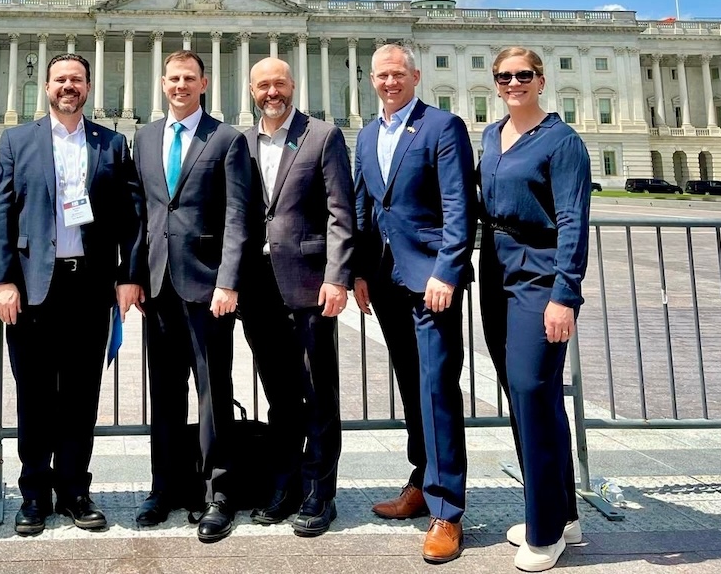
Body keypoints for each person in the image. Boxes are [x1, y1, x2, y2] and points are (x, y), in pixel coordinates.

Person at [0, 54, 146, 537]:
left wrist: (128, 275)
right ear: (47, 86)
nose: (68, 87)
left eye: (76, 80)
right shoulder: (17, 140)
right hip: (33, 286)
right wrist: (1, 280)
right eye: (60, 80)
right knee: (34, 395)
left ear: (88, 87)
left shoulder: (110, 143)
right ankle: (34, 493)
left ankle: (75, 490)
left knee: (80, 395)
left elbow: (130, 217)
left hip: (89, 285)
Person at [352, 42, 476, 564]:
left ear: (415, 75)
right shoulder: (366, 134)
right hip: (385, 279)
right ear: (371, 80)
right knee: (411, 383)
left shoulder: (442, 127)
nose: (390, 81)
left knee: (436, 387)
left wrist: (447, 270)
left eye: (398, 73)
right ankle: (422, 481)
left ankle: (447, 510)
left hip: (431, 281)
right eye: (382, 75)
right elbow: (364, 205)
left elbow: (460, 206)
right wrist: (359, 271)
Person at [133, 50, 254, 543]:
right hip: (158, 284)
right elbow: (141, 214)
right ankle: (165, 486)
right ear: (163, 83)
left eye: (189, 78)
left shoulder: (226, 138)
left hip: (207, 286)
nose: (180, 85)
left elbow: (239, 216)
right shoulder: (144, 138)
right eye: (173, 78)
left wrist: (229, 280)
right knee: (164, 393)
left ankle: (218, 492)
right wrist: (133, 275)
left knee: (213, 390)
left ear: (204, 83)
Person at [479, 47, 590, 573]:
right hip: (495, 270)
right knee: (529, 398)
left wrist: (564, 295)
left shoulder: (563, 141)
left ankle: (545, 533)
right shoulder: (490, 135)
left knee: (530, 390)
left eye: (524, 75)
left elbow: (572, 220)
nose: (514, 83)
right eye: (504, 76)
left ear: (541, 80)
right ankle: (561, 513)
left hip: (539, 273)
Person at [239, 57, 355, 537]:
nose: (272, 92)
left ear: (293, 85)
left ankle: (319, 491)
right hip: (258, 286)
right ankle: (285, 485)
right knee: (279, 393)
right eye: (263, 85)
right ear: (251, 91)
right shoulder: (242, 142)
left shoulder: (322, 136)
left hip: (309, 281)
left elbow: (340, 212)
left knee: (318, 391)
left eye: (280, 84)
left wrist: (337, 276)